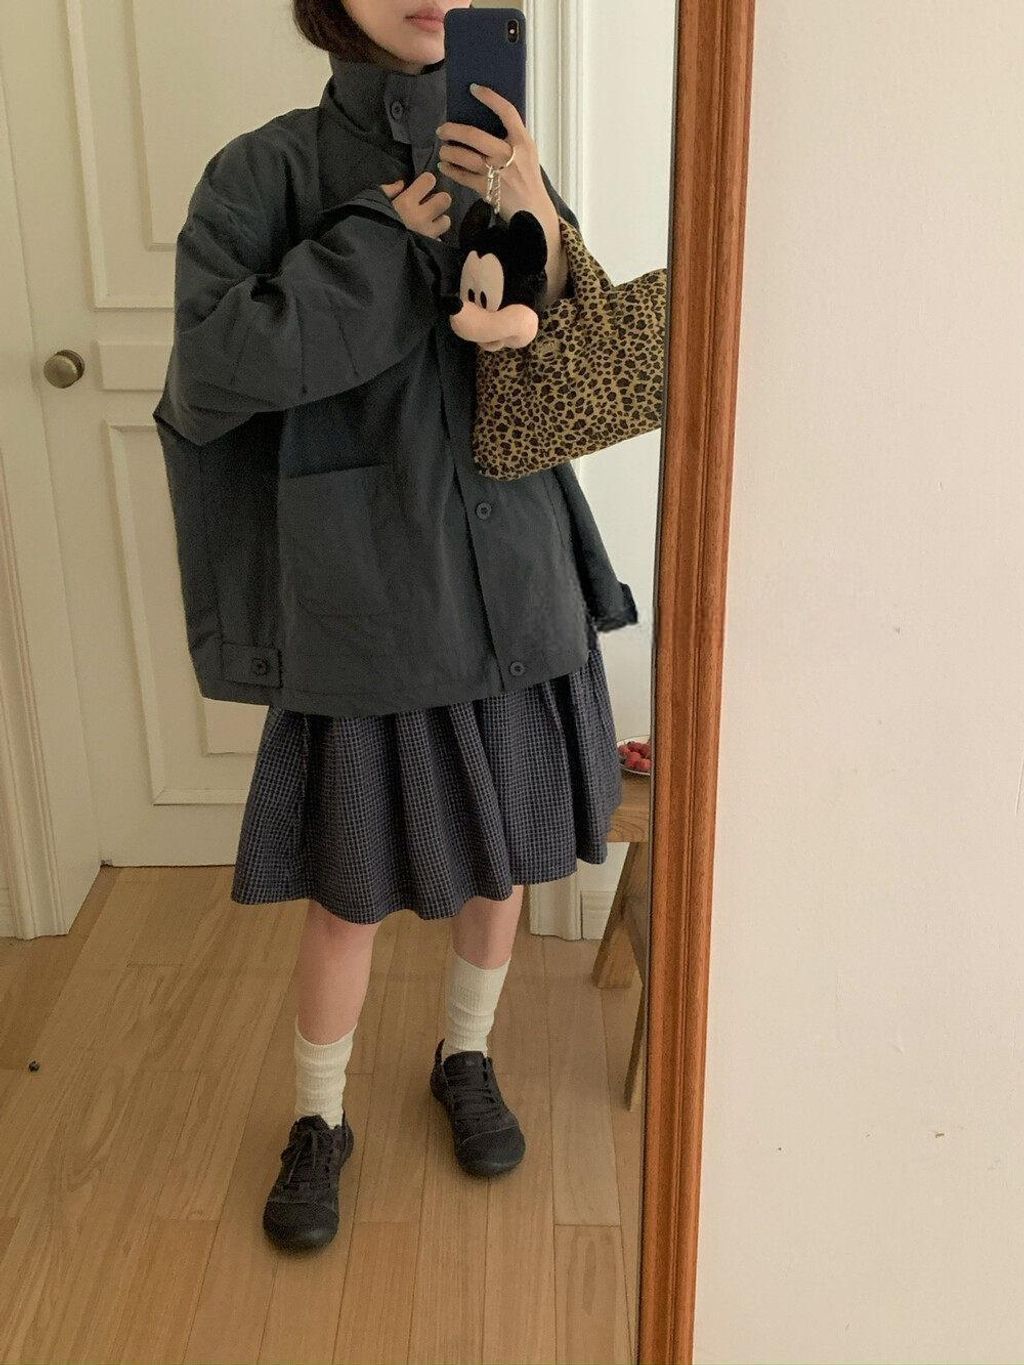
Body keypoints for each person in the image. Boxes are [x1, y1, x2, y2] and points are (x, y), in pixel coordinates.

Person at [156, 0, 635, 1254]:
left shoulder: (505, 147)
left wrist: (534, 213)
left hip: (514, 567)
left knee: (503, 860)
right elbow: (212, 376)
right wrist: (375, 239)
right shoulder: (264, 170)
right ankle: (318, 1118)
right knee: (348, 892)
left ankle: (464, 1057)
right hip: (366, 591)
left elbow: (564, 355)